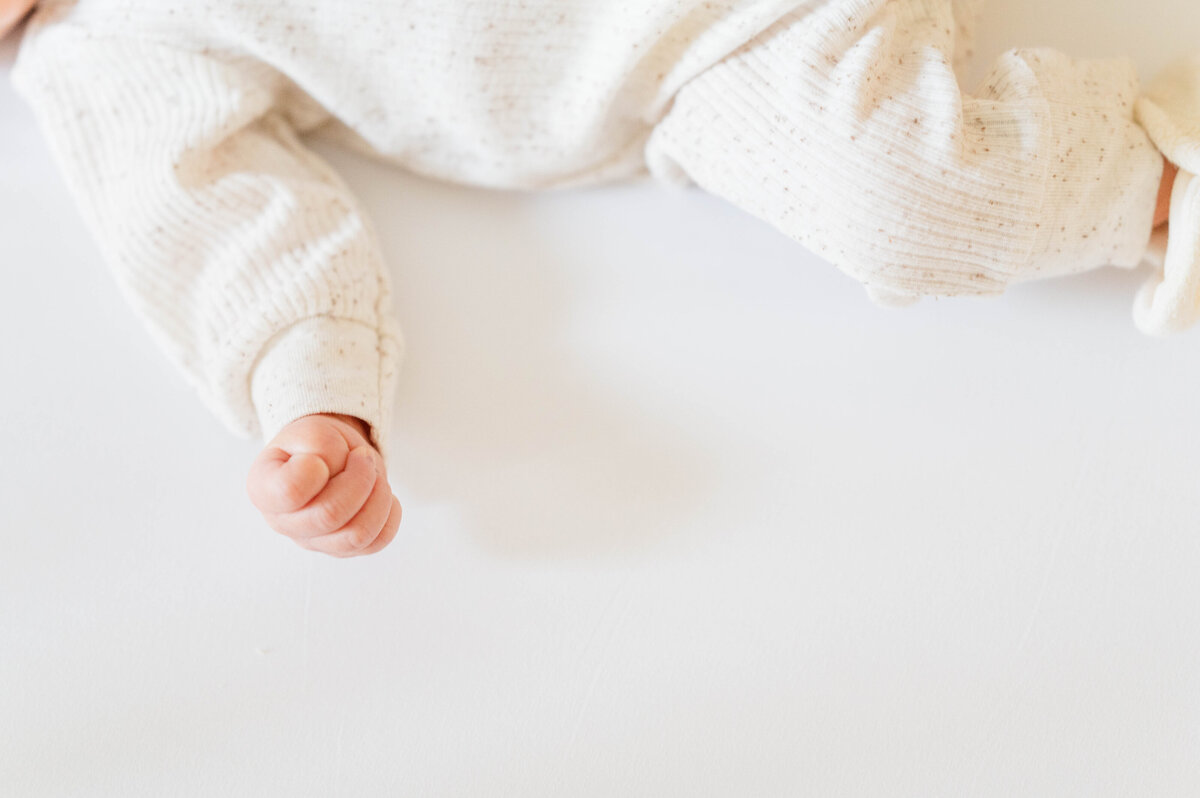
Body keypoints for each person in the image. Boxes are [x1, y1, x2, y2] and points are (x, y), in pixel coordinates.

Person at [2, 0, 1189, 557]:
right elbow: (221, 221)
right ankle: (1160, 183)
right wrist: (313, 399)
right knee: (906, 196)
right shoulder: (107, 50)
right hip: (712, 56)